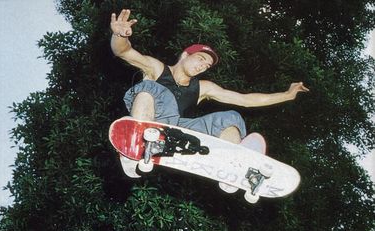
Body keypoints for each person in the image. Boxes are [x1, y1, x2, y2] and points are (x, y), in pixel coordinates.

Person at [110, 9, 309, 145]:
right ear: (185, 55)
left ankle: (233, 161)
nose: (202, 66)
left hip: (176, 130)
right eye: (201, 59)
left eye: (206, 65)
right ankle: (138, 138)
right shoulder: (157, 68)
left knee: (231, 117)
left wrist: (287, 95)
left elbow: (245, 100)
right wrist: (120, 35)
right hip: (149, 121)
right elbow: (124, 52)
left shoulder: (204, 88)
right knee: (150, 88)